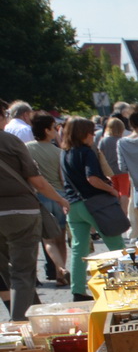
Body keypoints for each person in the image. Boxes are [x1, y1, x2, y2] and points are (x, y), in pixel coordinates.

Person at [1, 126, 66, 320]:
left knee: (7, 271)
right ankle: (19, 324)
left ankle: (37, 316)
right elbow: (37, 181)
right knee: (22, 272)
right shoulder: (10, 141)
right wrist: (60, 200)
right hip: (21, 211)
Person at [59, 118, 119, 302]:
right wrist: (111, 190)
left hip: (73, 204)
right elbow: (92, 178)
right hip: (93, 203)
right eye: (91, 132)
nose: (93, 135)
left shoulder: (64, 152)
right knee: (116, 245)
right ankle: (127, 283)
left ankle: (77, 290)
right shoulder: (87, 152)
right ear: (84, 134)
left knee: (79, 249)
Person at [25, 115, 67, 286]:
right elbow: (62, 177)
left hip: (39, 197)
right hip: (58, 196)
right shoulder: (58, 152)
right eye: (53, 127)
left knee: (47, 240)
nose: (56, 131)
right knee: (61, 238)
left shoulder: (27, 148)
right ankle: (60, 274)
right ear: (47, 130)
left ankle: (58, 266)